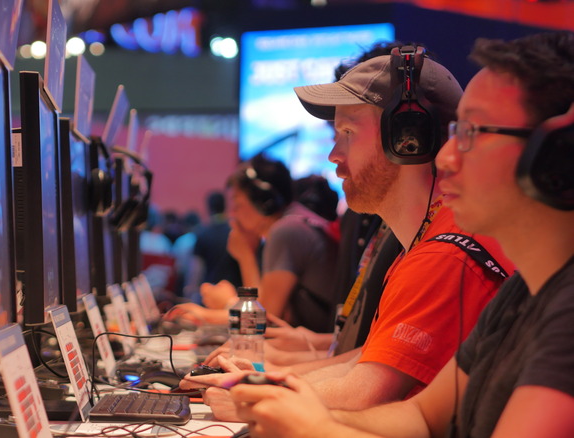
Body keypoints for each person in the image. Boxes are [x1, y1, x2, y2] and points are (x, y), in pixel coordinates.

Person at [231, 31, 574, 438]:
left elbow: (375, 394)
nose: (445, 156)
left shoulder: (560, 313)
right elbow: (421, 417)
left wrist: (313, 425)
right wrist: (288, 405)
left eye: (470, 133)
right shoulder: (523, 295)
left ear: (556, 154)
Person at [184, 44, 516, 418]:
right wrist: (265, 377)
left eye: (347, 132)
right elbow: (368, 360)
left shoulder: (444, 254)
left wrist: (254, 395)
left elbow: (367, 392)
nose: (333, 155)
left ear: (407, 139)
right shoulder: (421, 243)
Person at [167, 154, 340, 332]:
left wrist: (208, 312)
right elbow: (263, 312)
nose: (232, 215)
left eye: (237, 204)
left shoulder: (286, 231)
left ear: (265, 202)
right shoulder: (296, 223)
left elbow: (262, 322)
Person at [181, 191, 242, 303]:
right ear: (225, 206)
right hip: (236, 296)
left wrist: (189, 297)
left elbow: (196, 270)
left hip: (210, 296)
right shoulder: (235, 231)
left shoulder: (203, 233)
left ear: (209, 207)